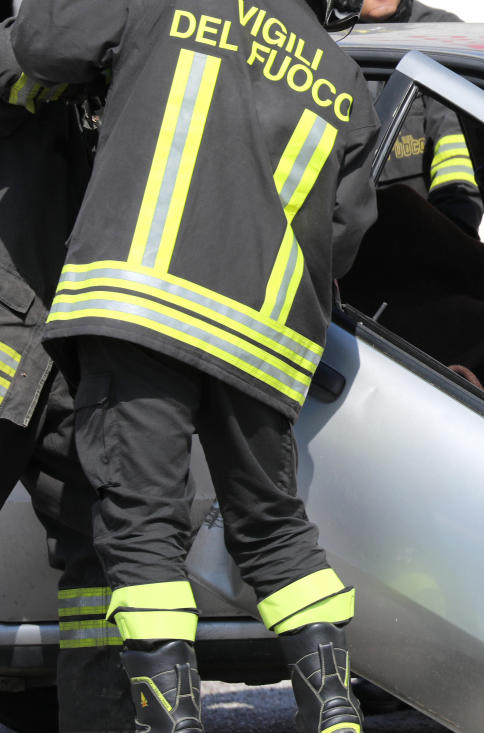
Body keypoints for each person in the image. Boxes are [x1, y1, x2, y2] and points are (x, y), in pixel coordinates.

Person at [12, 0, 379, 730]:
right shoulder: (343, 76)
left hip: (145, 310)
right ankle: (335, 708)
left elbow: (41, 40)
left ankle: (171, 718)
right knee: (274, 526)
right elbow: (344, 232)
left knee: (142, 521)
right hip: (262, 342)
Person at [0, 14, 134, 732]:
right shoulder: (45, 34)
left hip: (74, 337)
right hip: (12, 323)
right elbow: (31, 58)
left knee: (107, 550)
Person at [361, 0, 484, 238]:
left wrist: (451, 234)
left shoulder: (440, 33)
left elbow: (457, 149)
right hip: (343, 249)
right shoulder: (321, 41)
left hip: (428, 237)